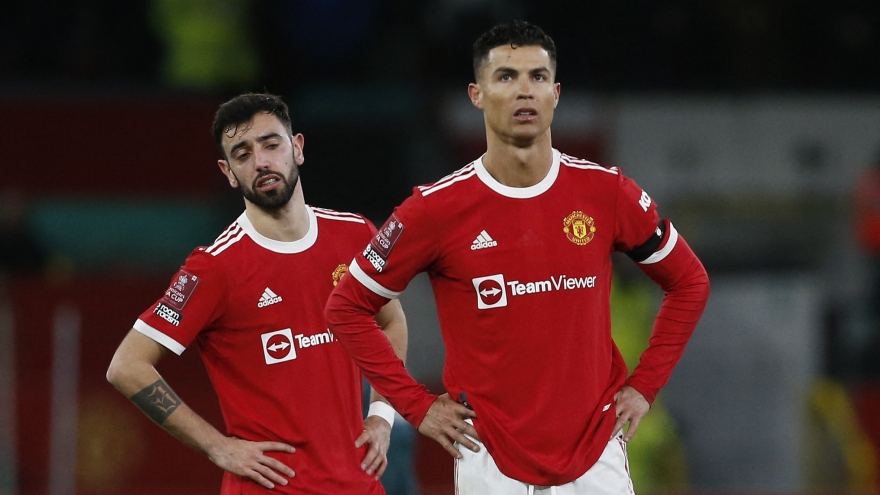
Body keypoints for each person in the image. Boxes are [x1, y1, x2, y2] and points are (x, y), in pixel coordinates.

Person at [325, 21, 710, 494]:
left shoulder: (606, 192)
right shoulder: (434, 210)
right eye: (506, 76)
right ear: (477, 94)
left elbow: (690, 281)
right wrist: (418, 407)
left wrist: (645, 386)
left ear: (556, 93)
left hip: (597, 456)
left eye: (538, 77)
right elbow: (346, 306)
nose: (525, 90)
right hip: (488, 459)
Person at [106, 93, 407, 494]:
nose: (261, 162)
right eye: (242, 154)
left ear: (297, 148)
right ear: (229, 172)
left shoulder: (354, 234)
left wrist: (383, 414)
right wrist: (217, 446)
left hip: (358, 484)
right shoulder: (215, 267)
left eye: (270, 144)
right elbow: (126, 366)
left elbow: (391, 321)